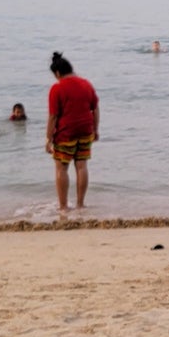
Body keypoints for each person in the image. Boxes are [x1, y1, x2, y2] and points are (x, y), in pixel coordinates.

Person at [46, 51, 99, 215]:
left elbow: (53, 116)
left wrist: (48, 138)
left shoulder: (57, 88)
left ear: (57, 73)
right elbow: (95, 109)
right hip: (86, 130)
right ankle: (80, 205)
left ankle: (63, 207)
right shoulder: (86, 84)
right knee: (81, 166)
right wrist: (95, 129)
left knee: (61, 168)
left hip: (66, 133)